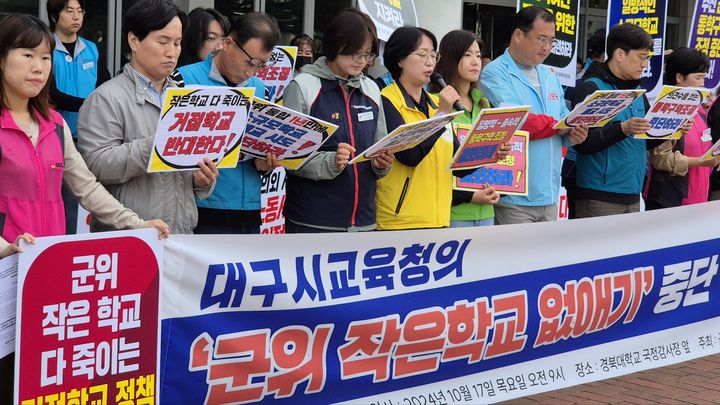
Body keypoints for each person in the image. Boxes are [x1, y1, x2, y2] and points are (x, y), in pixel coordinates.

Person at [78, 0, 218, 234]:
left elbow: (189, 172)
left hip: (180, 235)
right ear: (134, 40)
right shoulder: (105, 97)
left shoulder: (187, 99)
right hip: (128, 238)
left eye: (177, 42)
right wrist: (156, 146)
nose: (171, 52)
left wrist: (202, 180)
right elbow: (94, 166)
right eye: (162, 41)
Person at [282, 9, 393, 233]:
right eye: (355, 53)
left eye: (367, 54)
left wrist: (381, 163)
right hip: (313, 221)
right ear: (336, 44)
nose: (362, 61)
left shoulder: (371, 88)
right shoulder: (303, 85)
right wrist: (331, 162)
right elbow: (289, 156)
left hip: (364, 221)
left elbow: (380, 145)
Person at [480, 6, 587, 224]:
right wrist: (561, 125)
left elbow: (565, 119)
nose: (547, 47)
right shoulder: (494, 73)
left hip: (549, 192)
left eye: (551, 41)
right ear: (519, 35)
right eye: (541, 39)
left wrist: (574, 133)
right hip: (513, 195)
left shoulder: (550, 77)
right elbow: (517, 120)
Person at [174, 12, 278, 234]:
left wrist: (266, 163)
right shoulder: (184, 80)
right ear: (228, 43)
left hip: (250, 209)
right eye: (250, 62)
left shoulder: (260, 89)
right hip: (202, 208)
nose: (252, 72)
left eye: (261, 65)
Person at [375, 26, 467, 230]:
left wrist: (489, 150)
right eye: (422, 54)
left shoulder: (436, 104)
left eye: (434, 55)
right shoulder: (386, 100)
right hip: (401, 222)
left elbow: (459, 166)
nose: (430, 62)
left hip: (439, 219)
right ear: (400, 59)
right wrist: (442, 116)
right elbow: (410, 156)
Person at [570, 23, 665, 217]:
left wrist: (672, 128)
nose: (645, 65)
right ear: (620, 55)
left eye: (647, 58)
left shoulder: (638, 92)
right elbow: (583, 143)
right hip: (599, 194)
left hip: (632, 191)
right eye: (641, 57)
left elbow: (645, 140)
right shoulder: (592, 88)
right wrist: (622, 129)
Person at [46, 0, 112, 233]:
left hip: (88, 139)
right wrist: (90, 106)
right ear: (54, 16)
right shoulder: (45, 47)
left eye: (80, 11)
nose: (76, 16)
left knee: (85, 200)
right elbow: (51, 93)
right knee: (55, 202)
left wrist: (93, 108)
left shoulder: (92, 49)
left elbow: (105, 87)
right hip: (54, 136)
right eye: (69, 11)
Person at [433, 30, 506, 227]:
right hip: (451, 213)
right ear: (450, 57)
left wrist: (498, 153)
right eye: (467, 55)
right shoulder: (436, 104)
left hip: (486, 211)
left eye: (478, 55)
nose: (476, 62)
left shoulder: (484, 103)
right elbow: (434, 165)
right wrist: (469, 196)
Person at [645, 47, 720, 209]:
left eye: (704, 78)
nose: (702, 84)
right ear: (679, 77)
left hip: (699, 195)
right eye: (698, 78)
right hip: (671, 199)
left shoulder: (700, 108)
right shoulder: (666, 108)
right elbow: (661, 158)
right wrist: (700, 162)